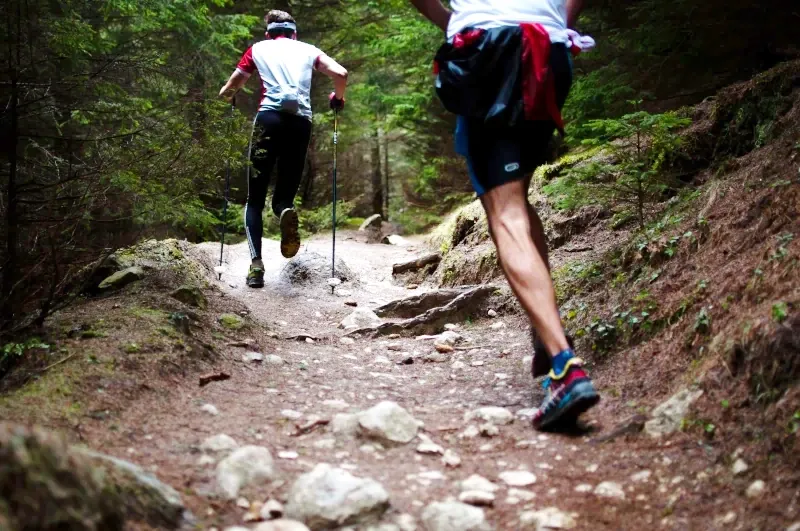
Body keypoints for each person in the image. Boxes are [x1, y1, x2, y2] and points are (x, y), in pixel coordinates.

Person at [409, 0, 599, 430]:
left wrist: (451, 21)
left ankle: (565, 367)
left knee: (506, 212)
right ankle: (545, 335)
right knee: (518, 199)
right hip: (549, 51)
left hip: (488, 50)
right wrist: (559, 25)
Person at [219, 10, 348, 288]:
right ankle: (284, 211)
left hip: (268, 121)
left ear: (269, 33)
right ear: (294, 33)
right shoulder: (309, 50)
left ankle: (256, 267)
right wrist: (338, 98)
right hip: (300, 124)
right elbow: (341, 73)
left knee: (254, 199)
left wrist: (229, 95)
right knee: (284, 198)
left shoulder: (257, 49)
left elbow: (231, 87)